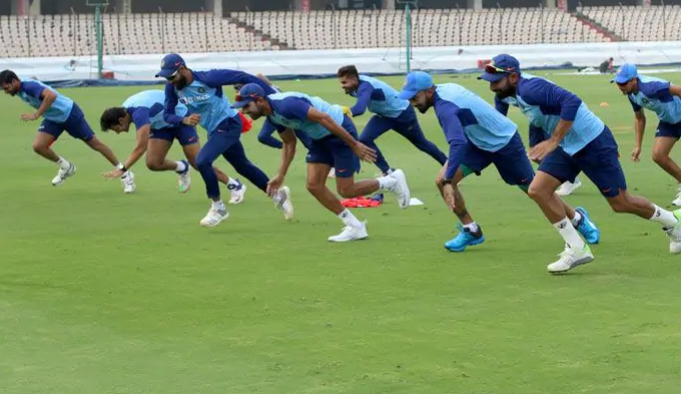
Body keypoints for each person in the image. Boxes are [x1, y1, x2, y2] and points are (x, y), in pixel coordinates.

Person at [479, 54, 681, 273]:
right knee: (538, 190)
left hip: (593, 141)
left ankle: (672, 223)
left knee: (621, 203)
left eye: (496, 81)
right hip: (567, 145)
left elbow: (571, 102)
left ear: (514, 77)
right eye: (489, 81)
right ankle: (577, 248)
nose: (492, 87)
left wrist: (552, 141)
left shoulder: (531, 87)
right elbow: (510, 121)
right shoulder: (503, 95)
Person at [398, 71, 600, 253]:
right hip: (477, 143)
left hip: (505, 143)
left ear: (430, 91)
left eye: (415, 97)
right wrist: (447, 180)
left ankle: (577, 219)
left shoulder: (445, 107)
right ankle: (472, 230)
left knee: (536, 191)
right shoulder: (443, 90)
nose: (413, 103)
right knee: (441, 179)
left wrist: (449, 180)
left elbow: (457, 143)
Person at [234, 83, 411, 242]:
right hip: (319, 138)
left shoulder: (287, 105)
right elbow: (289, 143)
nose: (244, 112)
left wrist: (355, 144)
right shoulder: (272, 115)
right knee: (314, 185)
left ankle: (391, 182)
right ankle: (355, 226)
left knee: (346, 190)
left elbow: (325, 118)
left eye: (247, 106)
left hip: (339, 130)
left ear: (260, 100)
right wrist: (281, 176)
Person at [155, 53, 293, 227]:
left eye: (172, 76)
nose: (170, 80)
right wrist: (183, 120)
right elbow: (168, 114)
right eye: (167, 77)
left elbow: (242, 76)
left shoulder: (209, 78)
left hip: (229, 123)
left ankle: (218, 207)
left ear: (182, 69)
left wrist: (271, 94)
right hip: (214, 130)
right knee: (242, 166)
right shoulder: (172, 88)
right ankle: (278, 195)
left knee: (202, 161)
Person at [0, 69, 133, 192]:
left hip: (69, 114)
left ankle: (125, 172)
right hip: (53, 118)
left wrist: (36, 114)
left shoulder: (28, 87)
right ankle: (66, 167)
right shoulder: (20, 89)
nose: (6, 92)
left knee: (96, 145)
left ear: (14, 81)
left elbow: (51, 96)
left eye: (7, 88)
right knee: (38, 146)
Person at [99, 89, 243, 199]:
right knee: (153, 163)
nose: (118, 132)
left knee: (198, 162)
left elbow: (140, 147)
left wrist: (122, 169)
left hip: (181, 120)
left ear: (120, 121)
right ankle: (181, 167)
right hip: (161, 126)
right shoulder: (126, 109)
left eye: (115, 129)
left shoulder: (139, 113)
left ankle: (234, 185)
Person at [337, 65, 447, 176]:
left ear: (354, 79)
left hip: (403, 114)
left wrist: (337, 113)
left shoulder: (365, 86)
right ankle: (388, 173)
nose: (342, 86)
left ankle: (450, 169)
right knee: (365, 139)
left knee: (421, 143)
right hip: (384, 116)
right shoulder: (354, 87)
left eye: (344, 82)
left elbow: (360, 109)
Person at [612, 63, 681, 206]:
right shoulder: (631, 94)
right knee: (658, 155)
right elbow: (639, 118)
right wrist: (638, 146)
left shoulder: (651, 87)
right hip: (668, 122)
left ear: (634, 80)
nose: (620, 86)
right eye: (618, 82)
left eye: (623, 83)